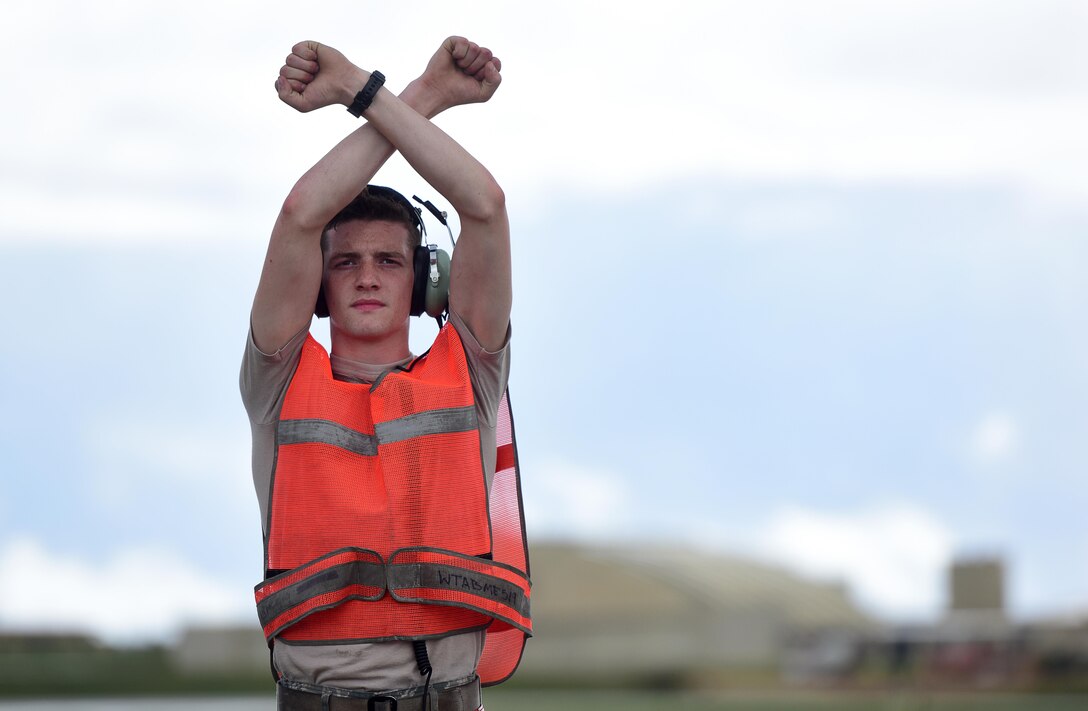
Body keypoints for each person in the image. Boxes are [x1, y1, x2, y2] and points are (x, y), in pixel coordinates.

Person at [240, 37, 531, 711]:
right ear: (317, 285)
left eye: (389, 260)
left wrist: (379, 96)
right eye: (345, 262)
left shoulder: (472, 367)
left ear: (427, 282)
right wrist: (395, 94)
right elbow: (299, 214)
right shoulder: (277, 381)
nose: (367, 275)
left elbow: (484, 204)